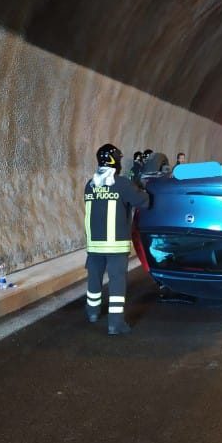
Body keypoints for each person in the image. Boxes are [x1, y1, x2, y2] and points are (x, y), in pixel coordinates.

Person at [84, 143, 150, 335]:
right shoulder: (121, 183)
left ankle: (92, 313)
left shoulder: (90, 184)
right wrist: (141, 189)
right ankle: (115, 323)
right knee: (116, 282)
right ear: (116, 162)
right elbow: (144, 202)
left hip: (94, 245)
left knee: (94, 280)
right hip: (115, 246)